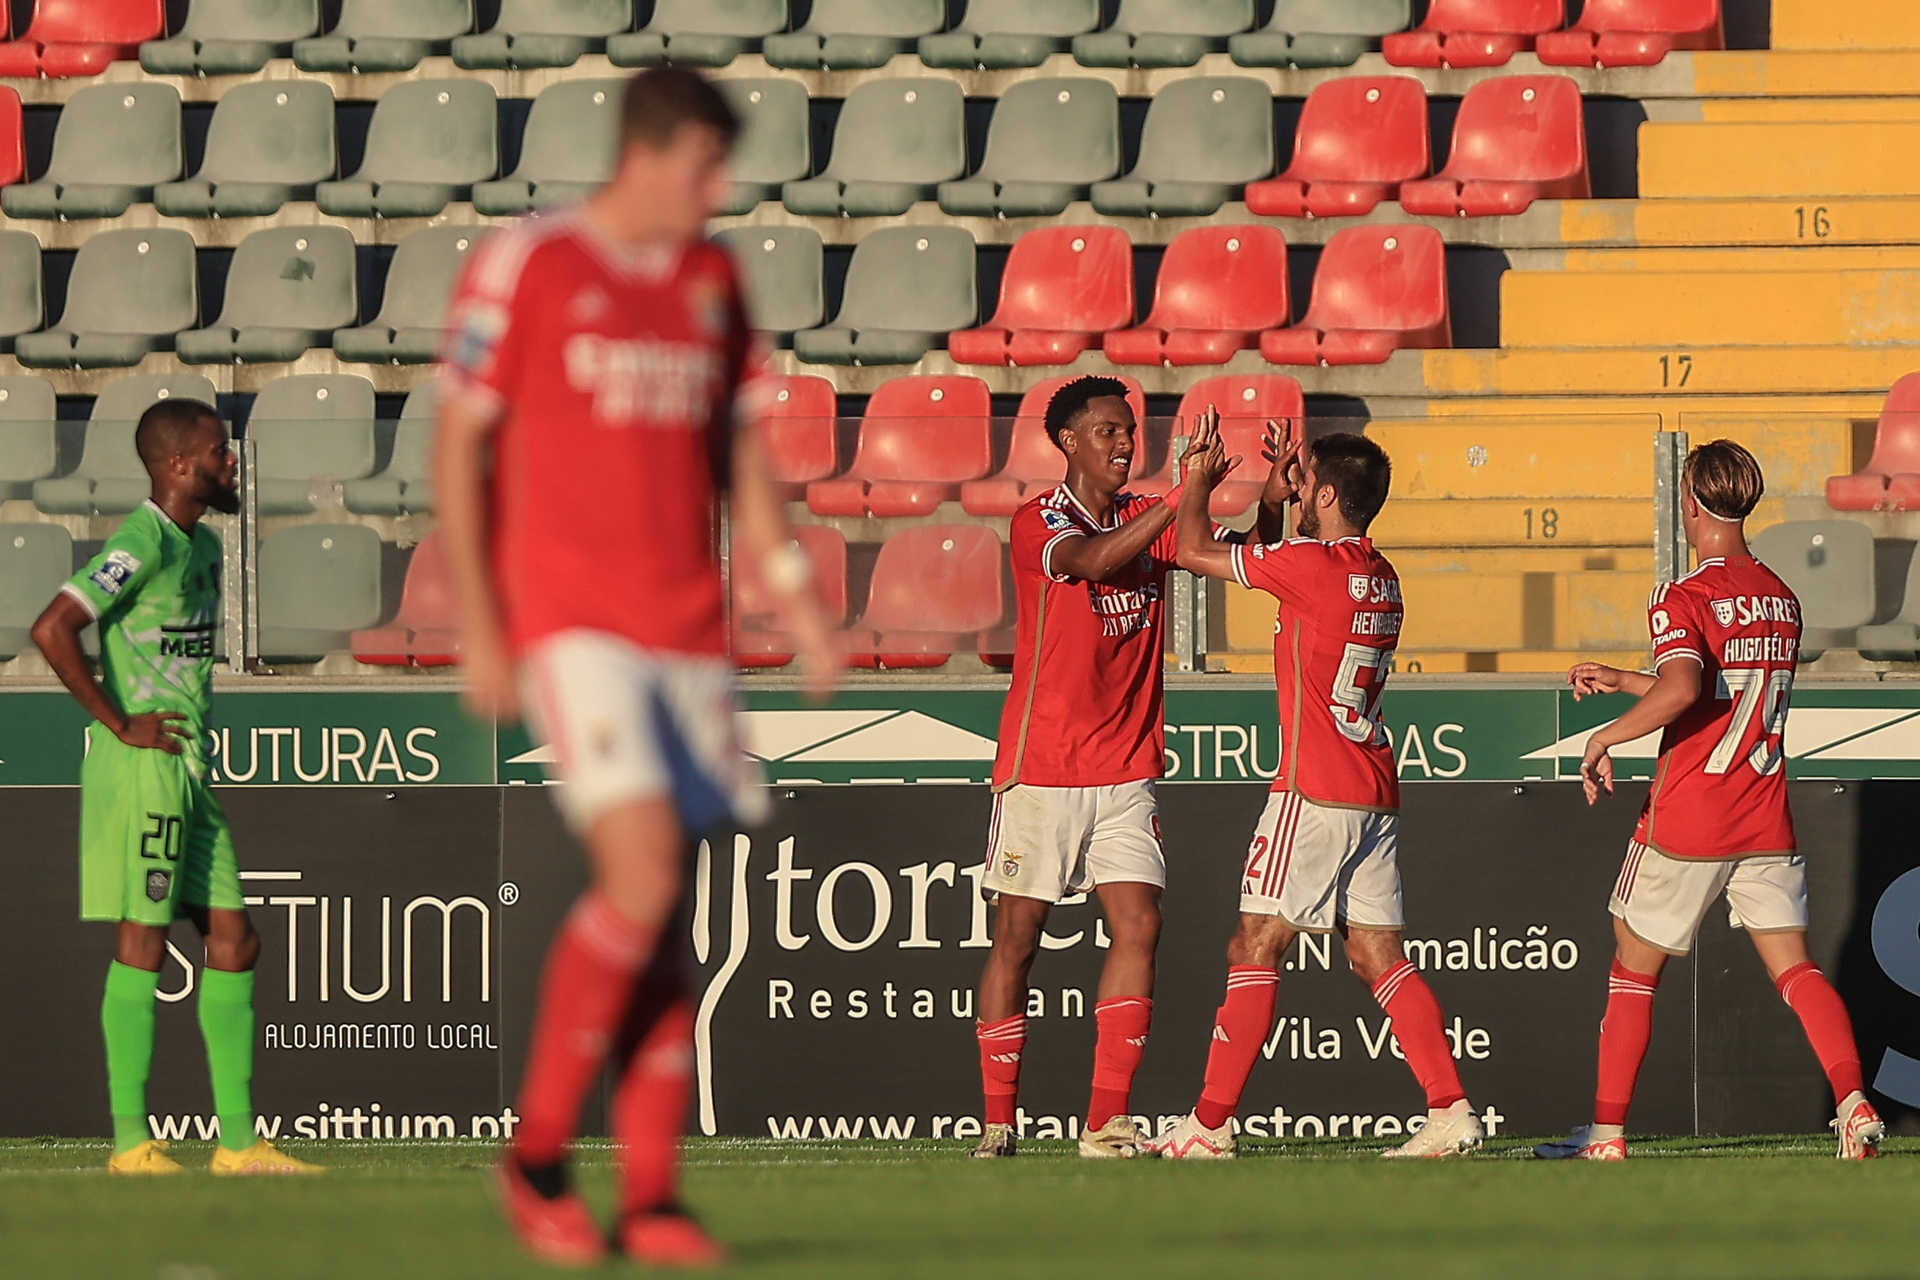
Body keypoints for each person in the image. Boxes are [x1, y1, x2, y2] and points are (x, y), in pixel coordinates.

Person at [435, 67, 836, 1265]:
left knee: (669, 925)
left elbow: (737, 442)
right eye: (709, 166)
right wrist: (484, 617)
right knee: (645, 870)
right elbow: (460, 437)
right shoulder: (532, 263)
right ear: (653, 154)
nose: (720, 192)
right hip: (577, 622)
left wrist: (792, 588)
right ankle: (538, 1151)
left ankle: (652, 1197)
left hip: (687, 632)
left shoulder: (712, 280)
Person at [1537, 439, 1884, 1161]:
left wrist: (1604, 739)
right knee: (1796, 968)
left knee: (1634, 967)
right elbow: (1720, 691)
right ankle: (1854, 1104)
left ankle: (1605, 1135)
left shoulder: (1683, 594)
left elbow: (1688, 690)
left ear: (1689, 502)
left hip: (1691, 815)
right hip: (1764, 812)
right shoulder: (1782, 598)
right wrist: (1629, 680)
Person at [1148, 419, 1484, 1160]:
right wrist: (1278, 496)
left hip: (1314, 787)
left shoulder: (1311, 566)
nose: (1297, 489)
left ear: (1327, 494)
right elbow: (1273, 559)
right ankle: (1450, 1107)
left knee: (1255, 941)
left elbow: (1196, 549)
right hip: (1371, 787)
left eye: (1305, 482)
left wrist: (1197, 478)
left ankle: (1207, 1125)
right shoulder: (1380, 574)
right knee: (1375, 954)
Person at [972, 384, 1290, 1160]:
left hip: (1125, 770)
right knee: (1017, 939)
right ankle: (997, 1122)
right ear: (1068, 442)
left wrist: (1273, 502)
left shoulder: (1147, 514)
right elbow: (1090, 561)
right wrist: (1185, 492)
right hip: (1043, 767)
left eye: (1128, 430)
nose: (1123, 442)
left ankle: (1105, 1122)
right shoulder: (1039, 521)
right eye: (1106, 430)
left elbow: (1235, 555)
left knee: (1140, 925)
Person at [31, 399, 319, 1177]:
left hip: (191, 768)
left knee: (235, 940)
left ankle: (238, 1144)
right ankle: (131, 1143)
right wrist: (119, 722)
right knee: (144, 944)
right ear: (179, 464)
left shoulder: (206, 550)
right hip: (142, 771)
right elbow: (54, 626)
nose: (232, 466)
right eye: (221, 454)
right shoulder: (141, 541)